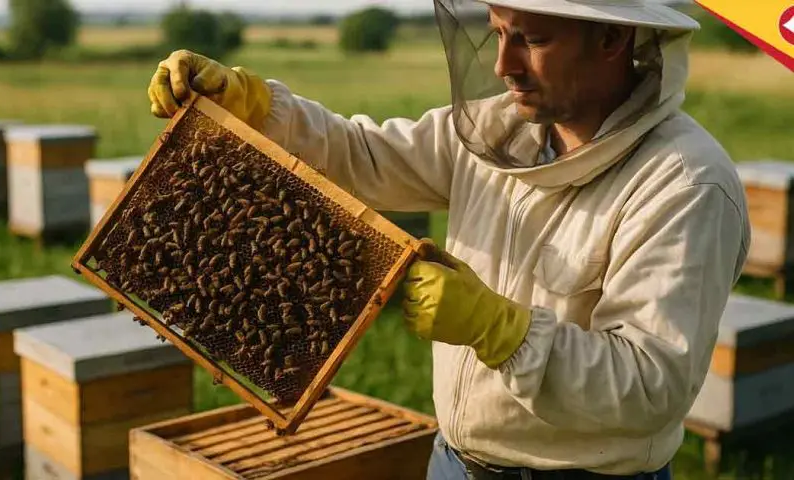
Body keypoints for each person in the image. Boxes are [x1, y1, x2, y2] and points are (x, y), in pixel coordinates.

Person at [147, 0, 751, 478]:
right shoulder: (498, 128)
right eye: (498, 32)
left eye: (532, 39)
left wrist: (502, 330)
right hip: (454, 464)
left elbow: (650, 386)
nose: (502, 65)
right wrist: (254, 105)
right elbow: (363, 156)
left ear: (614, 39)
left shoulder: (684, 182)